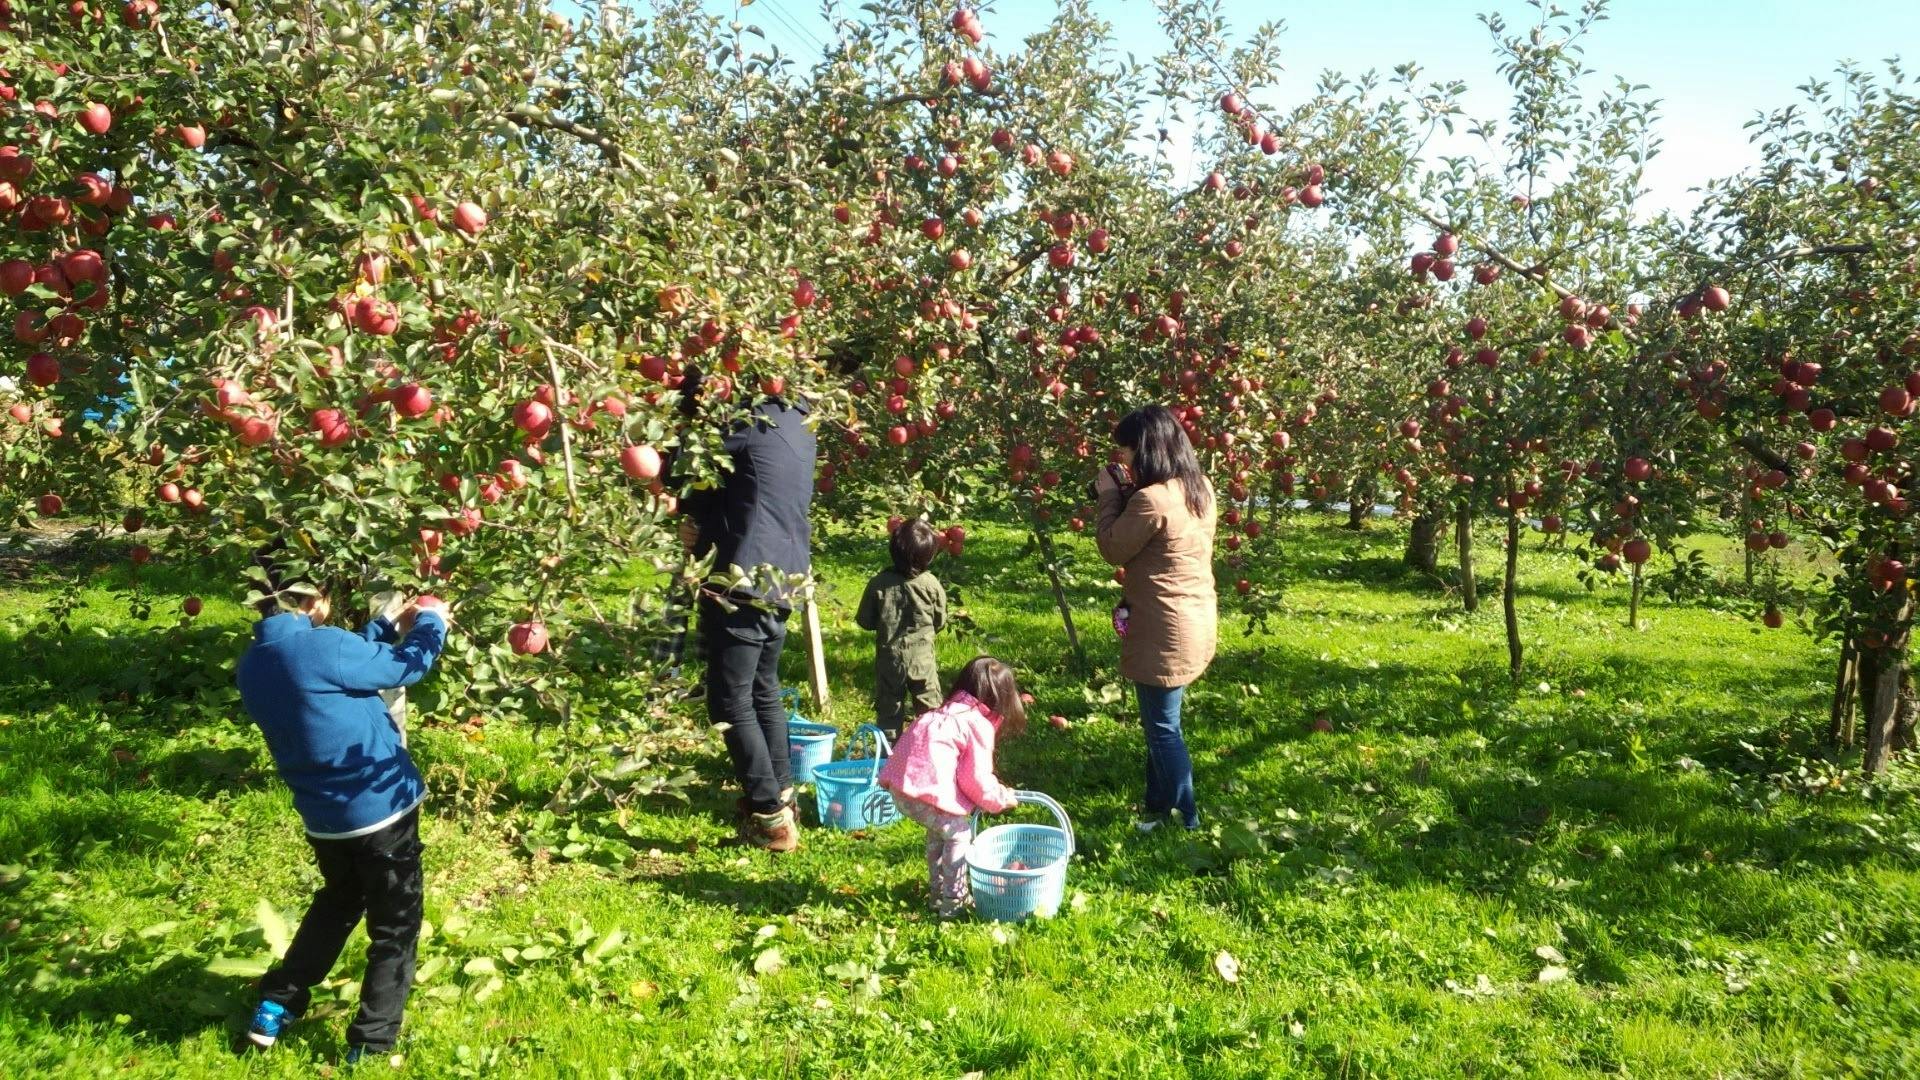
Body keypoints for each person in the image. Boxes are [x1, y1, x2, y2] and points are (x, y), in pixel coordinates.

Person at [234, 580, 450, 1063]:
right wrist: (433, 619)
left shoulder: (253, 664)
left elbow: (340, 658)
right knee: (395, 924)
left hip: (325, 820)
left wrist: (390, 624)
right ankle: (371, 1044)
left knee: (336, 906)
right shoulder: (325, 646)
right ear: (313, 602)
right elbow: (407, 667)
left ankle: (276, 1005)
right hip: (381, 813)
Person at [675, 367, 818, 852]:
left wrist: (688, 399)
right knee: (763, 691)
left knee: (729, 699)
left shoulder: (743, 422)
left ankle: (769, 815)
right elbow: (743, 490)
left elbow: (683, 469)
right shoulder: (797, 420)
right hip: (786, 577)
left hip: (743, 579)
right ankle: (781, 796)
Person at [1094, 405, 1218, 832]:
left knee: (1163, 730)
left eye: (1126, 450)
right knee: (1160, 722)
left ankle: (1188, 819)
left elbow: (1112, 548)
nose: (1122, 459)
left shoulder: (1151, 499)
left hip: (1165, 627)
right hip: (1194, 617)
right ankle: (1157, 809)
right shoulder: (1198, 487)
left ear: (1144, 450)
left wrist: (1110, 496)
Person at [878, 656, 1027, 918]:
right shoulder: (976, 723)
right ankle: (954, 899)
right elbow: (975, 780)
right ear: (1003, 700)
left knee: (941, 832)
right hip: (920, 791)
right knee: (958, 833)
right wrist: (1002, 798)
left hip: (902, 787)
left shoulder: (945, 712)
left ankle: (938, 893)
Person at [856, 518, 948, 738]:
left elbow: (865, 621)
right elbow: (940, 621)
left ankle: (888, 759)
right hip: (922, 658)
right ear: (929, 556)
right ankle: (930, 751)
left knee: (889, 708)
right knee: (929, 708)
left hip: (890, 658)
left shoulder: (879, 583)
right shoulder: (931, 584)